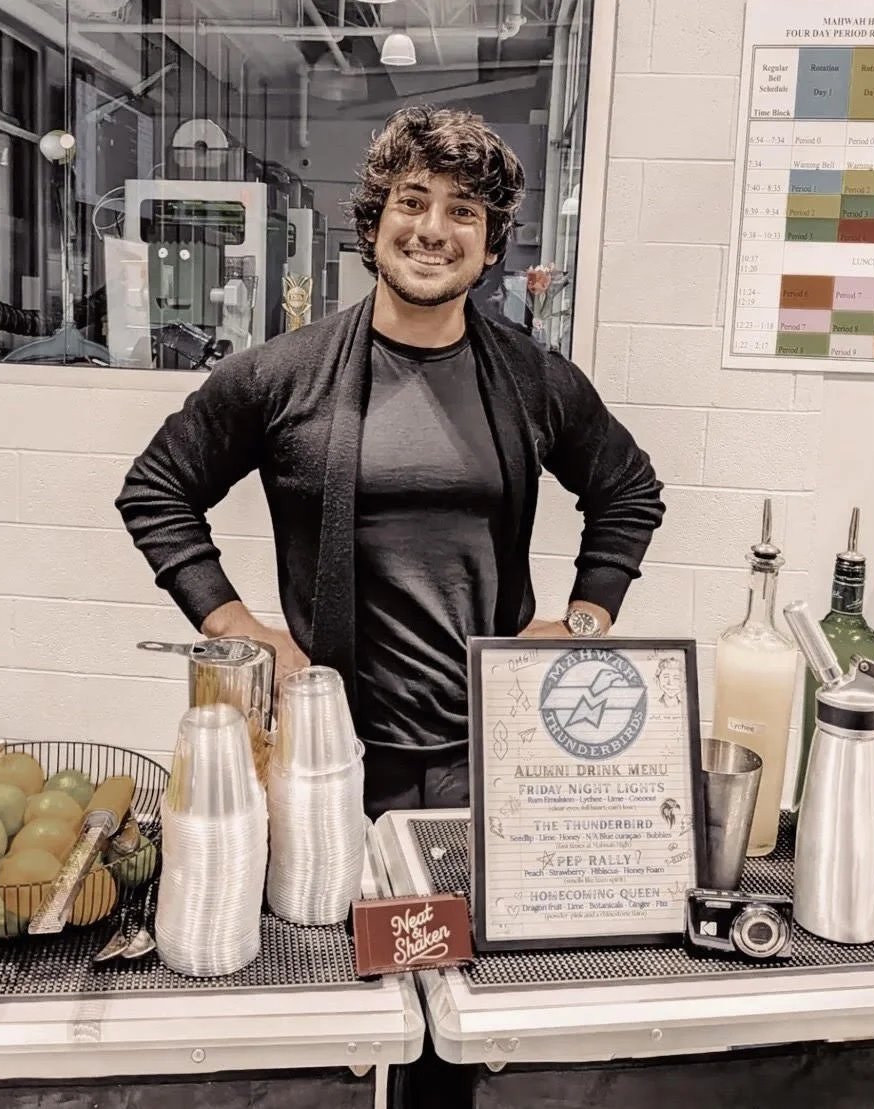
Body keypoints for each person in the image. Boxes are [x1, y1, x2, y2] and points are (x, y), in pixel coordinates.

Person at [116, 107, 665, 821]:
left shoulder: (534, 380)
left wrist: (586, 620)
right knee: (327, 929)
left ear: (491, 245)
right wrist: (238, 628)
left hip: (491, 749)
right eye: (411, 201)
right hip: (327, 747)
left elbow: (628, 490)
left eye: (463, 211)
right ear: (374, 225)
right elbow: (158, 489)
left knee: (463, 929)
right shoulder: (282, 375)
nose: (433, 229)